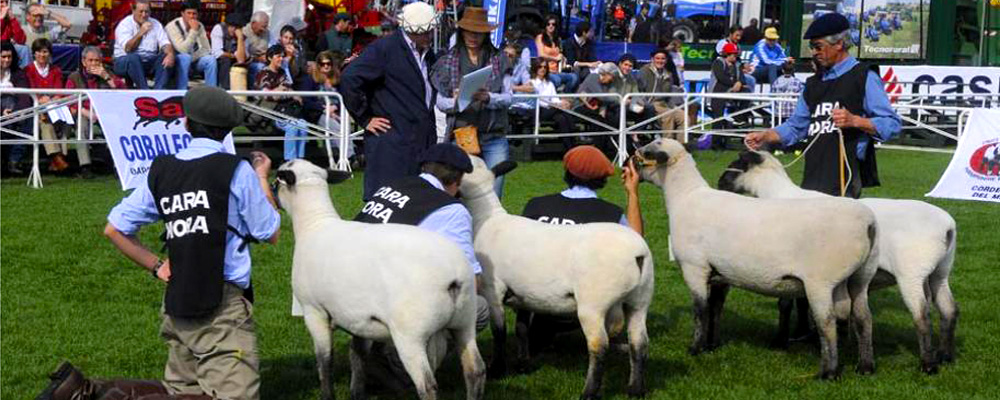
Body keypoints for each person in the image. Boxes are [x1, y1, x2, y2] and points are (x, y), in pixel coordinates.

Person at [37, 86, 280, 400]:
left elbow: (114, 229)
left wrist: (156, 266)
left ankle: (85, 389)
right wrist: (262, 177)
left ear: (186, 123)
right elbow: (270, 232)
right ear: (228, 130)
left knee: (182, 390)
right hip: (221, 302)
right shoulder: (237, 170)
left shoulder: (162, 169)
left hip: (177, 296)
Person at [353, 143, 490, 391]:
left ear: (425, 167)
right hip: (391, 299)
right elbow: (470, 278)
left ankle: (378, 355)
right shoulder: (450, 209)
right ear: (457, 181)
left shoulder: (390, 186)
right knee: (476, 307)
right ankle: (401, 368)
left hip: (351, 287)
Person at [745, 13, 902, 198]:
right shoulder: (812, 84)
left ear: (839, 44)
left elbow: (892, 124)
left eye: (818, 46)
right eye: (811, 47)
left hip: (846, 176)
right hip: (813, 174)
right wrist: (767, 135)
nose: (814, 52)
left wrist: (856, 121)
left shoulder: (864, 77)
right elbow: (796, 126)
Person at [519, 145, 644, 354]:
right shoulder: (610, 214)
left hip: (535, 293)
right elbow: (637, 243)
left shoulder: (535, 206)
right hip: (586, 298)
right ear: (602, 178)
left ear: (567, 172)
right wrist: (632, 192)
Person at [340, 1, 439, 200]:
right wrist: (365, 118)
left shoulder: (427, 53)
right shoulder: (385, 49)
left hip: (419, 140)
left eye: (430, 31)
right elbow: (350, 77)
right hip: (393, 144)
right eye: (425, 32)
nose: (429, 36)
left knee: (418, 204)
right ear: (412, 31)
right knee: (386, 203)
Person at [431, 7, 512, 199]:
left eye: (479, 33)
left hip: (494, 135)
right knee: (456, 191)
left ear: (486, 34)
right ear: (462, 32)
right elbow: (441, 102)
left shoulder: (499, 59)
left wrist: (489, 98)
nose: (473, 37)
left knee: (494, 193)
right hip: (461, 135)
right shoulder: (447, 61)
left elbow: (509, 97)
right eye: (469, 31)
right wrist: (457, 101)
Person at [64, 46, 125, 179]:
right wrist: (85, 112)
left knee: (117, 124)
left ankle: (118, 165)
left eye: (97, 61)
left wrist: (106, 77)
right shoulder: (74, 77)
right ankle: (85, 166)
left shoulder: (107, 74)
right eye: (90, 60)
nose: (93, 64)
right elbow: (69, 100)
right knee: (82, 125)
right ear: (84, 61)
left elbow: (122, 92)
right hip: (84, 111)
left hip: (106, 111)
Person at [24, 38, 74, 172]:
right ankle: (57, 158)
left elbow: (59, 91)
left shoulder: (55, 70)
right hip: (36, 107)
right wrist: (41, 100)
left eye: (45, 52)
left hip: (54, 105)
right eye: (38, 52)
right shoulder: (28, 70)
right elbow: (30, 91)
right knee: (45, 124)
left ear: (49, 54)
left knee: (67, 122)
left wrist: (53, 99)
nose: (42, 55)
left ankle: (59, 157)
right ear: (34, 53)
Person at [255, 44, 307, 162]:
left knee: (303, 125)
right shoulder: (263, 74)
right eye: (278, 56)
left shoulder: (282, 72)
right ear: (270, 58)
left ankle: (300, 160)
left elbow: (290, 91)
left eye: (282, 56)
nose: (281, 59)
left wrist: (284, 91)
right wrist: (281, 90)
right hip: (270, 114)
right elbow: (268, 96)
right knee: (292, 126)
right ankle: (289, 161)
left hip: (287, 111)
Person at [113, 0, 179, 89]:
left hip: (148, 60)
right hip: (124, 61)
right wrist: (141, 33)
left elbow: (165, 43)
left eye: (146, 12)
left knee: (166, 56)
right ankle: (145, 91)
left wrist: (170, 54)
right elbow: (128, 49)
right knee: (133, 57)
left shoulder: (156, 23)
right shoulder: (125, 24)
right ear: (133, 11)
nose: (144, 15)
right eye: (141, 11)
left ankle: (158, 92)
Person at [638, 48, 686, 143]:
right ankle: (667, 146)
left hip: (665, 104)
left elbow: (669, 94)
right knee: (668, 115)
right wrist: (645, 103)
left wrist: (675, 106)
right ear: (652, 59)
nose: (660, 61)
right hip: (650, 103)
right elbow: (639, 90)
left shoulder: (668, 74)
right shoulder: (644, 71)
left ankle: (680, 146)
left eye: (663, 59)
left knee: (683, 117)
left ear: (666, 60)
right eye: (657, 58)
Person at [166, 0, 216, 88]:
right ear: (182, 13)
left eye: (194, 14)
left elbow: (206, 49)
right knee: (185, 57)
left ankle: (211, 91)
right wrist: (193, 31)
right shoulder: (173, 26)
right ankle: (181, 92)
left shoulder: (199, 25)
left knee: (210, 59)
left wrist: (192, 58)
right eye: (188, 13)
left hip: (193, 59)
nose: (191, 16)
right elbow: (182, 50)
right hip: (176, 60)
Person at [528, 59, 575, 151]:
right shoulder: (531, 83)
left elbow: (555, 99)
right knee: (562, 112)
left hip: (552, 110)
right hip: (539, 111)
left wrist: (562, 103)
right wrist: (555, 105)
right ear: (535, 68)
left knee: (561, 118)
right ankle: (573, 132)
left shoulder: (549, 84)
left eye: (545, 67)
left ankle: (569, 148)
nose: (543, 69)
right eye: (540, 67)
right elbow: (536, 101)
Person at [574, 62, 620, 154]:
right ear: (606, 74)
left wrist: (603, 109)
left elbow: (604, 101)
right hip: (580, 107)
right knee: (600, 121)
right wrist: (619, 98)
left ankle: (608, 147)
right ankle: (599, 149)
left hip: (594, 109)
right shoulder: (593, 78)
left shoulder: (607, 84)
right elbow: (602, 97)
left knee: (610, 117)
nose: (612, 80)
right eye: (611, 76)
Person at [612, 53, 656, 149]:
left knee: (649, 108)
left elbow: (636, 94)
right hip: (614, 107)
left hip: (629, 106)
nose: (627, 68)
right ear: (620, 64)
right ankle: (622, 137)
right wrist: (624, 101)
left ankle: (635, 132)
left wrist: (641, 103)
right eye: (625, 65)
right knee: (625, 108)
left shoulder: (632, 79)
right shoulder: (612, 76)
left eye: (630, 66)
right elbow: (610, 96)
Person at [1, 40, 29, 175]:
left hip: (15, 107)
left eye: (9, 57)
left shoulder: (18, 73)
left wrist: (16, 112)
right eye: (3, 56)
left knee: (28, 123)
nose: (7, 60)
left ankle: (14, 161)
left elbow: (25, 96)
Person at [536, 14, 578, 92]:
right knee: (557, 80)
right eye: (548, 24)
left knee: (574, 77)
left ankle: (565, 96)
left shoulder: (558, 39)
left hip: (557, 70)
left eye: (553, 24)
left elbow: (560, 54)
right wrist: (555, 58)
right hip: (546, 71)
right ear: (545, 26)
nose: (551, 26)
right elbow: (541, 55)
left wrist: (563, 59)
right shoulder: (540, 37)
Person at [209, 11, 248, 89]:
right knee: (225, 60)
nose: (234, 30)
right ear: (227, 25)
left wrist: (240, 39)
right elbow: (218, 53)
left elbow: (241, 60)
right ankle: (225, 89)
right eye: (232, 27)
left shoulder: (242, 35)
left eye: (237, 28)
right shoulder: (219, 28)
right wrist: (233, 55)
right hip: (218, 62)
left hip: (233, 60)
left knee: (245, 65)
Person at [243, 11, 271, 84]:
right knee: (260, 67)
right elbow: (245, 56)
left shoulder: (267, 33)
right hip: (251, 62)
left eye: (266, 26)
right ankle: (258, 92)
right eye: (263, 26)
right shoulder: (244, 33)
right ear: (253, 24)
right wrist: (258, 58)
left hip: (266, 60)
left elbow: (272, 46)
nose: (264, 29)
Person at [0, 0, 28, 68]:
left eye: (6, 2)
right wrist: (1, 19)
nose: (4, 5)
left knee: (24, 49)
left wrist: (13, 19)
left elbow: (21, 40)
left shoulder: (9, 20)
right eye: (1, 2)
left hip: (7, 46)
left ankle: (25, 75)